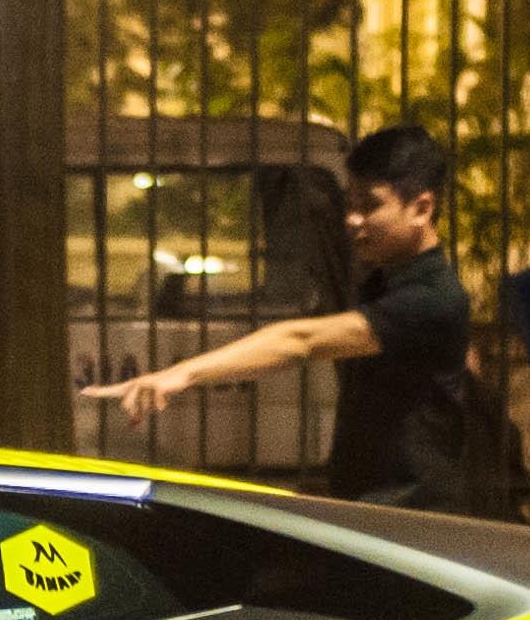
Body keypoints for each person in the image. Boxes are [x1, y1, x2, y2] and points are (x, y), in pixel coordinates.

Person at [79, 124, 476, 511]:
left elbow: (300, 340)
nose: (352, 219)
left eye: (370, 205)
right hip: (381, 502)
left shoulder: (431, 296)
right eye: (350, 203)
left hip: (412, 509)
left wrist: (180, 374)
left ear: (422, 208)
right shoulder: (386, 280)